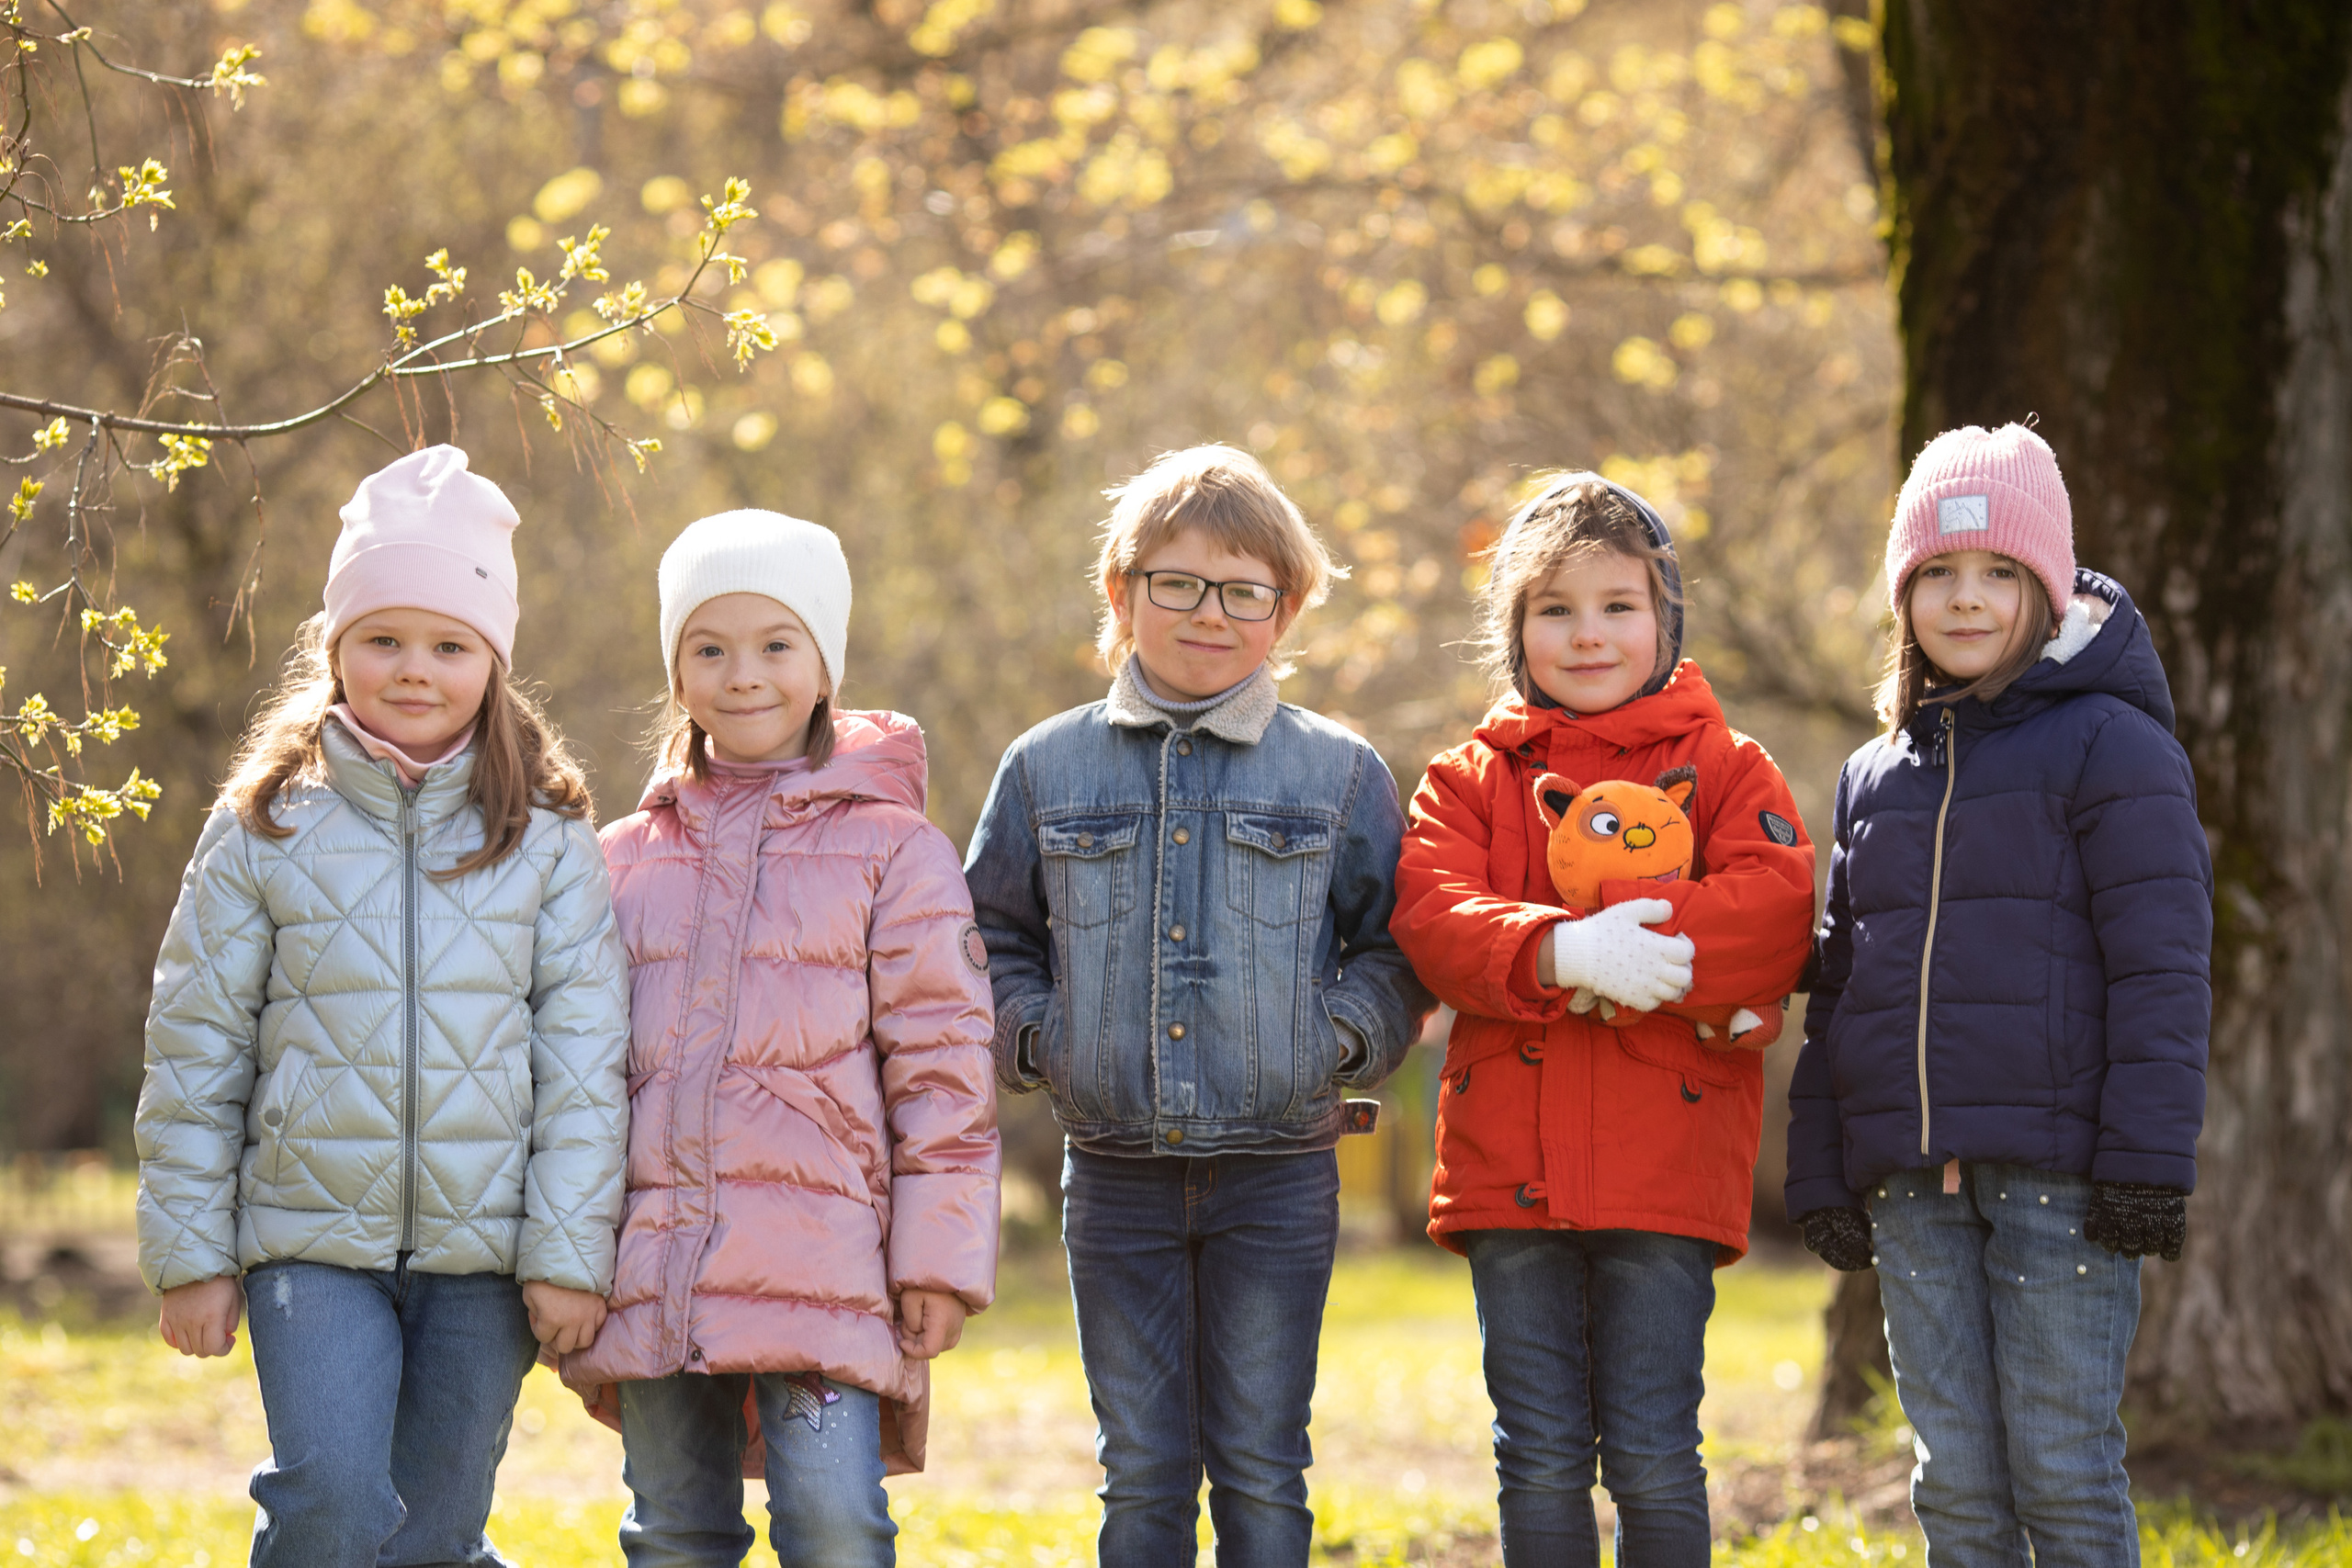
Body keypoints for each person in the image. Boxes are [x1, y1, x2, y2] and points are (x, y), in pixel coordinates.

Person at [134, 444, 629, 1568]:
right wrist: (192, 1253)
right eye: (384, 639)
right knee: (335, 1504)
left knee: (435, 1537)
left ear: (494, 662)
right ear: (335, 648)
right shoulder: (265, 825)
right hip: (308, 1245)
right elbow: (195, 1044)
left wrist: (566, 1252)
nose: (416, 669)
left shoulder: (544, 840)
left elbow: (587, 1060)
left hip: (488, 1256)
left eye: (451, 645)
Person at [963, 445, 1433, 1566]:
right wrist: (1041, 1036)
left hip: (1278, 1173)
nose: (1207, 614)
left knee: (1264, 1465)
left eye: (1243, 591)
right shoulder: (1046, 768)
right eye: (1175, 584)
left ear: (1285, 609)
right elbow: (984, 937)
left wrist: (1333, 1040)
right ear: (1122, 595)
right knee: (1141, 1472)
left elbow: (1398, 947)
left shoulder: (1336, 772)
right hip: (1114, 1173)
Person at [1786, 423, 2211, 1567]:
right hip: (1916, 1191)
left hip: (2059, 1184)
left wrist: (2144, 1167)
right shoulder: (1876, 775)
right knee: (1957, 1487)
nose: (1964, 600)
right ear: (1903, 594)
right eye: (1936, 575)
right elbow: (1842, 987)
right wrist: (1823, 1168)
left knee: (2062, 1476)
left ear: (2047, 583)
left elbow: (2161, 976)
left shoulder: (2111, 748)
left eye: (1997, 574)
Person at [561, 510, 1001, 1568]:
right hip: (656, 1262)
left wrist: (936, 1259)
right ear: (675, 673)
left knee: (836, 1525)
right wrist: (564, 1252)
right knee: (674, 1530)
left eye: (774, 645)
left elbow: (943, 1067)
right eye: (707, 649)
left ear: (821, 668)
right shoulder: (618, 857)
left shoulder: (895, 852)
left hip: (829, 1268)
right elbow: (572, 1073)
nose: (741, 674)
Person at [1392, 472, 1815, 1567]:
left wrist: (1646, 938)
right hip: (1509, 1173)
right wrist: (1556, 950)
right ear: (1514, 628)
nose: (1588, 635)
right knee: (1534, 1452)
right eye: (1555, 609)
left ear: (1663, 617)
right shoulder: (1466, 779)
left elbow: (1773, 913)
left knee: (1655, 1450)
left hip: (1666, 1166)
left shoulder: (1727, 768)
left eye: (1618, 606)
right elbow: (1435, 915)